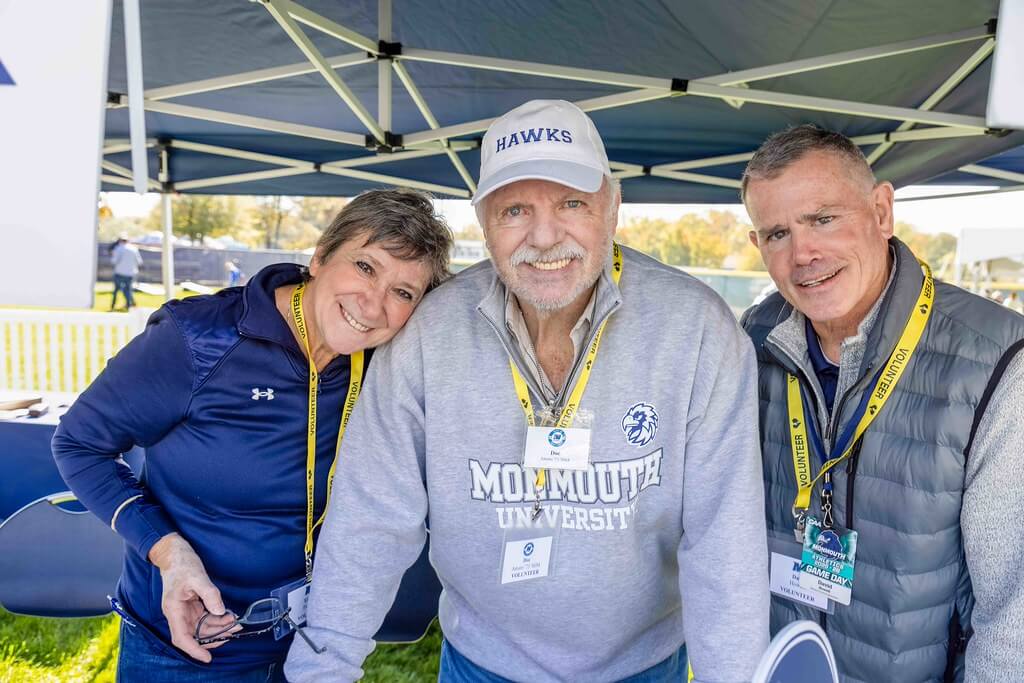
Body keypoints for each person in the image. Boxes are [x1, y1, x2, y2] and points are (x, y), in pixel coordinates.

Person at [286, 100, 769, 683]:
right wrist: (322, 669)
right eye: (515, 209)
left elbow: (725, 546)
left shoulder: (698, 331)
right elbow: (371, 519)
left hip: (645, 668)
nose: (544, 237)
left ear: (612, 207)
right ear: (484, 222)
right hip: (481, 663)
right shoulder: (429, 334)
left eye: (572, 203)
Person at [52, 189, 453, 681]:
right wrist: (166, 550)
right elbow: (78, 443)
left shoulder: (385, 367)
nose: (373, 305)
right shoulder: (199, 338)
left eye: (404, 292)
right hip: (185, 645)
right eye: (366, 267)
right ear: (321, 255)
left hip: (311, 642)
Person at [740, 124, 1024, 683]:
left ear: (881, 211)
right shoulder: (746, 342)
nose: (803, 254)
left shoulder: (995, 361)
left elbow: (1014, 609)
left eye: (823, 219)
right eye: (777, 233)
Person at [110, 234, 143, 310]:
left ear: (120, 241)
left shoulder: (118, 249)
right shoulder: (134, 249)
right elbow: (139, 262)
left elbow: (114, 261)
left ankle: (113, 306)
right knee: (128, 290)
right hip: (131, 273)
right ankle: (129, 306)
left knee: (116, 290)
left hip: (119, 273)